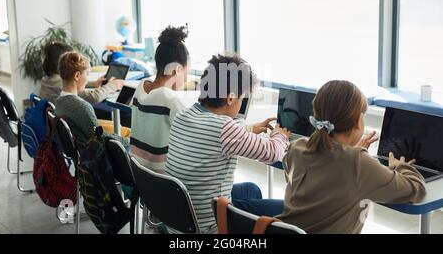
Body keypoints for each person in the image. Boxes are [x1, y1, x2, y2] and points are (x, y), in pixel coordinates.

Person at [277, 80, 426, 234]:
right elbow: (418, 190)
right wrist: (399, 165)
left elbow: (310, 176)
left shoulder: (297, 146)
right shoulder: (358, 162)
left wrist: (351, 153)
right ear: (358, 120)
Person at [165, 54, 291, 234]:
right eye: (242, 97)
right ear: (230, 98)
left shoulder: (183, 116)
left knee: (251, 190)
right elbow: (272, 153)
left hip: (181, 217)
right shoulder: (224, 128)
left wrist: (249, 128)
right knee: (288, 210)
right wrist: (280, 136)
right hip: (210, 224)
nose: (241, 102)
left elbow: (213, 135)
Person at [130, 25, 190, 173]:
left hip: (139, 174)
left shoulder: (141, 87)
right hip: (164, 181)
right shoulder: (170, 100)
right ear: (177, 70)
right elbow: (199, 134)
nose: (187, 78)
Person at [55, 52, 129, 148]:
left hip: (81, 151)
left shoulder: (59, 101)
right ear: (77, 76)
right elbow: (100, 138)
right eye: (87, 74)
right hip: (94, 154)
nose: (87, 79)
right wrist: (129, 142)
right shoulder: (82, 107)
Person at [39, 42, 125, 104]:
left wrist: (94, 83)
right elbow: (94, 97)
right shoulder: (62, 88)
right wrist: (112, 85)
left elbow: (70, 81)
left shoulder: (47, 80)